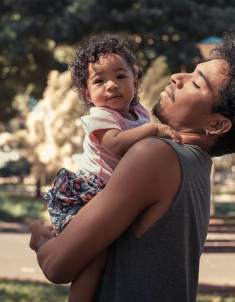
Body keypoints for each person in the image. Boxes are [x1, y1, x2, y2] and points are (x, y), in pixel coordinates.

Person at [30, 30, 235, 302]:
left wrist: (42, 241)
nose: (178, 77)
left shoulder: (156, 155)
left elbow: (57, 265)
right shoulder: (195, 164)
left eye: (196, 83)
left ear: (216, 125)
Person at [42, 34, 181, 301]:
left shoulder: (139, 112)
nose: (111, 86)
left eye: (120, 77)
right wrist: (154, 129)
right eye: (99, 81)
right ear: (87, 93)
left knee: (111, 254)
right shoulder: (101, 117)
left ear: (135, 80)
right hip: (87, 194)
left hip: (114, 194)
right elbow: (116, 145)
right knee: (94, 259)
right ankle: (41, 239)